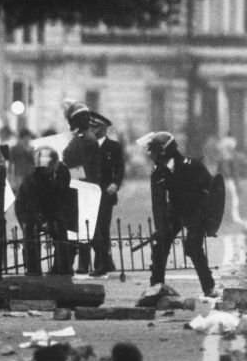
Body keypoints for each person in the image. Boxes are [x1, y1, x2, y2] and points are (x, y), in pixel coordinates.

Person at [139, 131, 217, 299]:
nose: (151, 154)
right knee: (160, 245)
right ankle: (156, 287)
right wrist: (161, 228)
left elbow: (213, 192)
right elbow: (158, 203)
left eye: (153, 150)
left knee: (193, 247)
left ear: (164, 151)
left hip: (196, 210)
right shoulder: (158, 171)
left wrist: (208, 219)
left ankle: (209, 287)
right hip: (175, 209)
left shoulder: (192, 165)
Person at [62, 102, 124, 276]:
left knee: (90, 228)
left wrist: (67, 171)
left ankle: (103, 262)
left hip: (85, 187)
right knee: (85, 227)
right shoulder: (82, 137)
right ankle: (95, 262)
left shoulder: (87, 139)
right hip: (81, 186)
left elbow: (85, 167)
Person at [14, 146, 74, 276]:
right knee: (31, 230)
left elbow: (61, 196)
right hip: (28, 209)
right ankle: (33, 269)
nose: (45, 171)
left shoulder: (63, 172)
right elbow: (31, 203)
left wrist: (54, 219)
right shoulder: (31, 179)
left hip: (51, 207)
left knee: (60, 229)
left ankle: (62, 267)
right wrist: (41, 221)